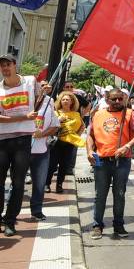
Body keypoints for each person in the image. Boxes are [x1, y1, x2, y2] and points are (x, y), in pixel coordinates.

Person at [87, 88, 134, 239]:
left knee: (119, 194)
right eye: (114, 99)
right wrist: (89, 151)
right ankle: (97, 225)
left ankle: (118, 224)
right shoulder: (98, 114)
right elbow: (90, 136)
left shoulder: (129, 114)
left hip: (122, 161)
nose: (118, 101)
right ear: (107, 100)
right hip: (101, 161)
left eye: (121, 98)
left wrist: (127, 146)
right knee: (100, 194)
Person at [0, 53, 38, 237]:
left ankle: (10, 220)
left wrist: (45, 90)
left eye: (8, 64)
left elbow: (39, 97)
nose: (5, 68)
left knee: (18, 181)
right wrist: (23, 117)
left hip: (23, 140)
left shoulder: (30, 81)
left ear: (15, 65)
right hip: (2, 140)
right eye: (2, 66)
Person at [29, 85, 60, 221]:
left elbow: (55, 126)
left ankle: (36, 210)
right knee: (16, 184)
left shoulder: (49, 101)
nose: (44, 88)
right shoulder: (25, 100)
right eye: (41, 85)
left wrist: (42, 134)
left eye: (47, 86)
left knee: (39, 183)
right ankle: (11, 214)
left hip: (41, 151)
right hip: (21, 150)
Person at [46, 91, 85, 194]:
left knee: (64, 165)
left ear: (72, 102)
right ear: (60, 101)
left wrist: (76, 136)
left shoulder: (76, 114)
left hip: (69, 144)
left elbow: (82, 126)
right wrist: (58, 119)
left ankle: (59, 185)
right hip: (57, 143)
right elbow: (49, 127)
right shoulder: (55, 113)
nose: (65, 101)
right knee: (52, 165)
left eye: (68, 99)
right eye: (63, 99)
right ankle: (47, 184)